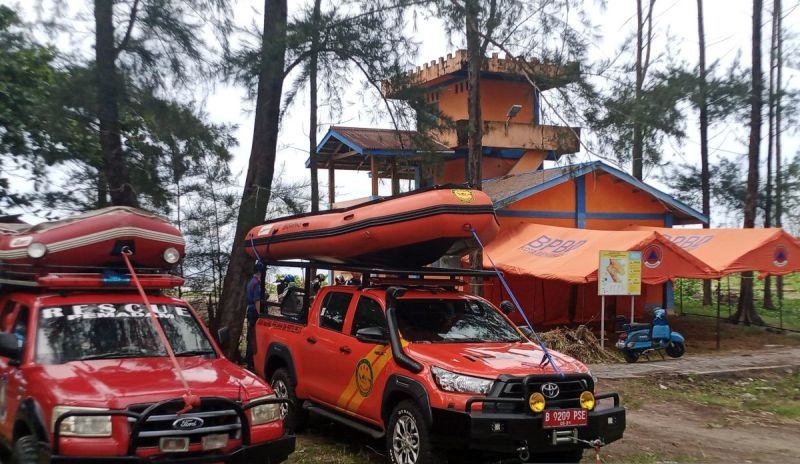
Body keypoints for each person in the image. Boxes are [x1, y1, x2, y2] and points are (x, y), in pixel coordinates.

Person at [245, 263, 263, 371]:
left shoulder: (251, 282)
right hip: (254, 312)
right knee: (254, 338)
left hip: (250, 311)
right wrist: (261, 315)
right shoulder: (257, 283)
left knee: (250, 336)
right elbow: (257, 301)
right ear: (260, 271)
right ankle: (252, 363)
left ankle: (249, 361)